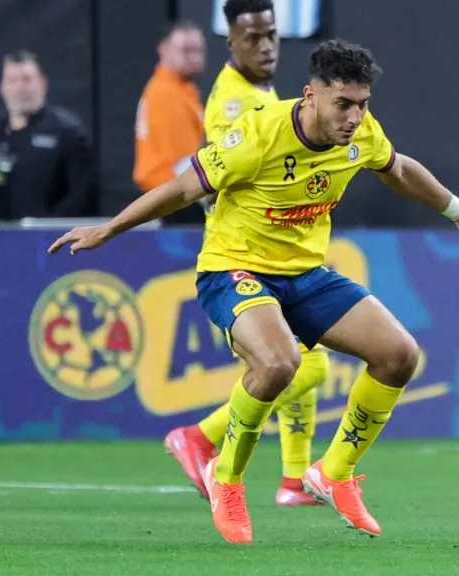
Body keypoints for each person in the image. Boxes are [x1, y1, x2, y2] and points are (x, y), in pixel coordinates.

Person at [49, 38, 459, 545]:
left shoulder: (361, 132)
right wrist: (110, 228)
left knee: (399, 355)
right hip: (233, 268)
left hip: (305, 275)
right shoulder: (258, 133)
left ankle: (332, 473)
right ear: (309, 95)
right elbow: (187, 187)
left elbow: (397, 169)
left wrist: (458, 212)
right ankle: (226, 477)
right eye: (343, 104)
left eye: (362, 104)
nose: (354, 117)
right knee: (277, 363)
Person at [162, 0, 330, 509]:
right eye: (253, 37)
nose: (266, 45)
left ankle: (294, 480)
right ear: (229, 42)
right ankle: (201, 437)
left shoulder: (258, 89)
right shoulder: (235, 103)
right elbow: (214, 182)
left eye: (272, 34)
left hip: (275, 251)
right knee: (305, 364)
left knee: (305, 359)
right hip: (245, 258)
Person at [0, 50, 98, 220]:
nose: (19, 88)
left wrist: (48, 227)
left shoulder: (67, 131)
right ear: (3, 87)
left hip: (44, 238)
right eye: (12, 81)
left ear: (43, 84)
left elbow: (83, 192)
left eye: (26, 79)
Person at [133, 21, 207, 225]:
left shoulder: (180, 90)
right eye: (185, 50)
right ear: (163, 50)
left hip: (172, 198)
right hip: (175, 202)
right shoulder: (167, 93)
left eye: (198, 50)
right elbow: (186, 164)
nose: (194, 57)